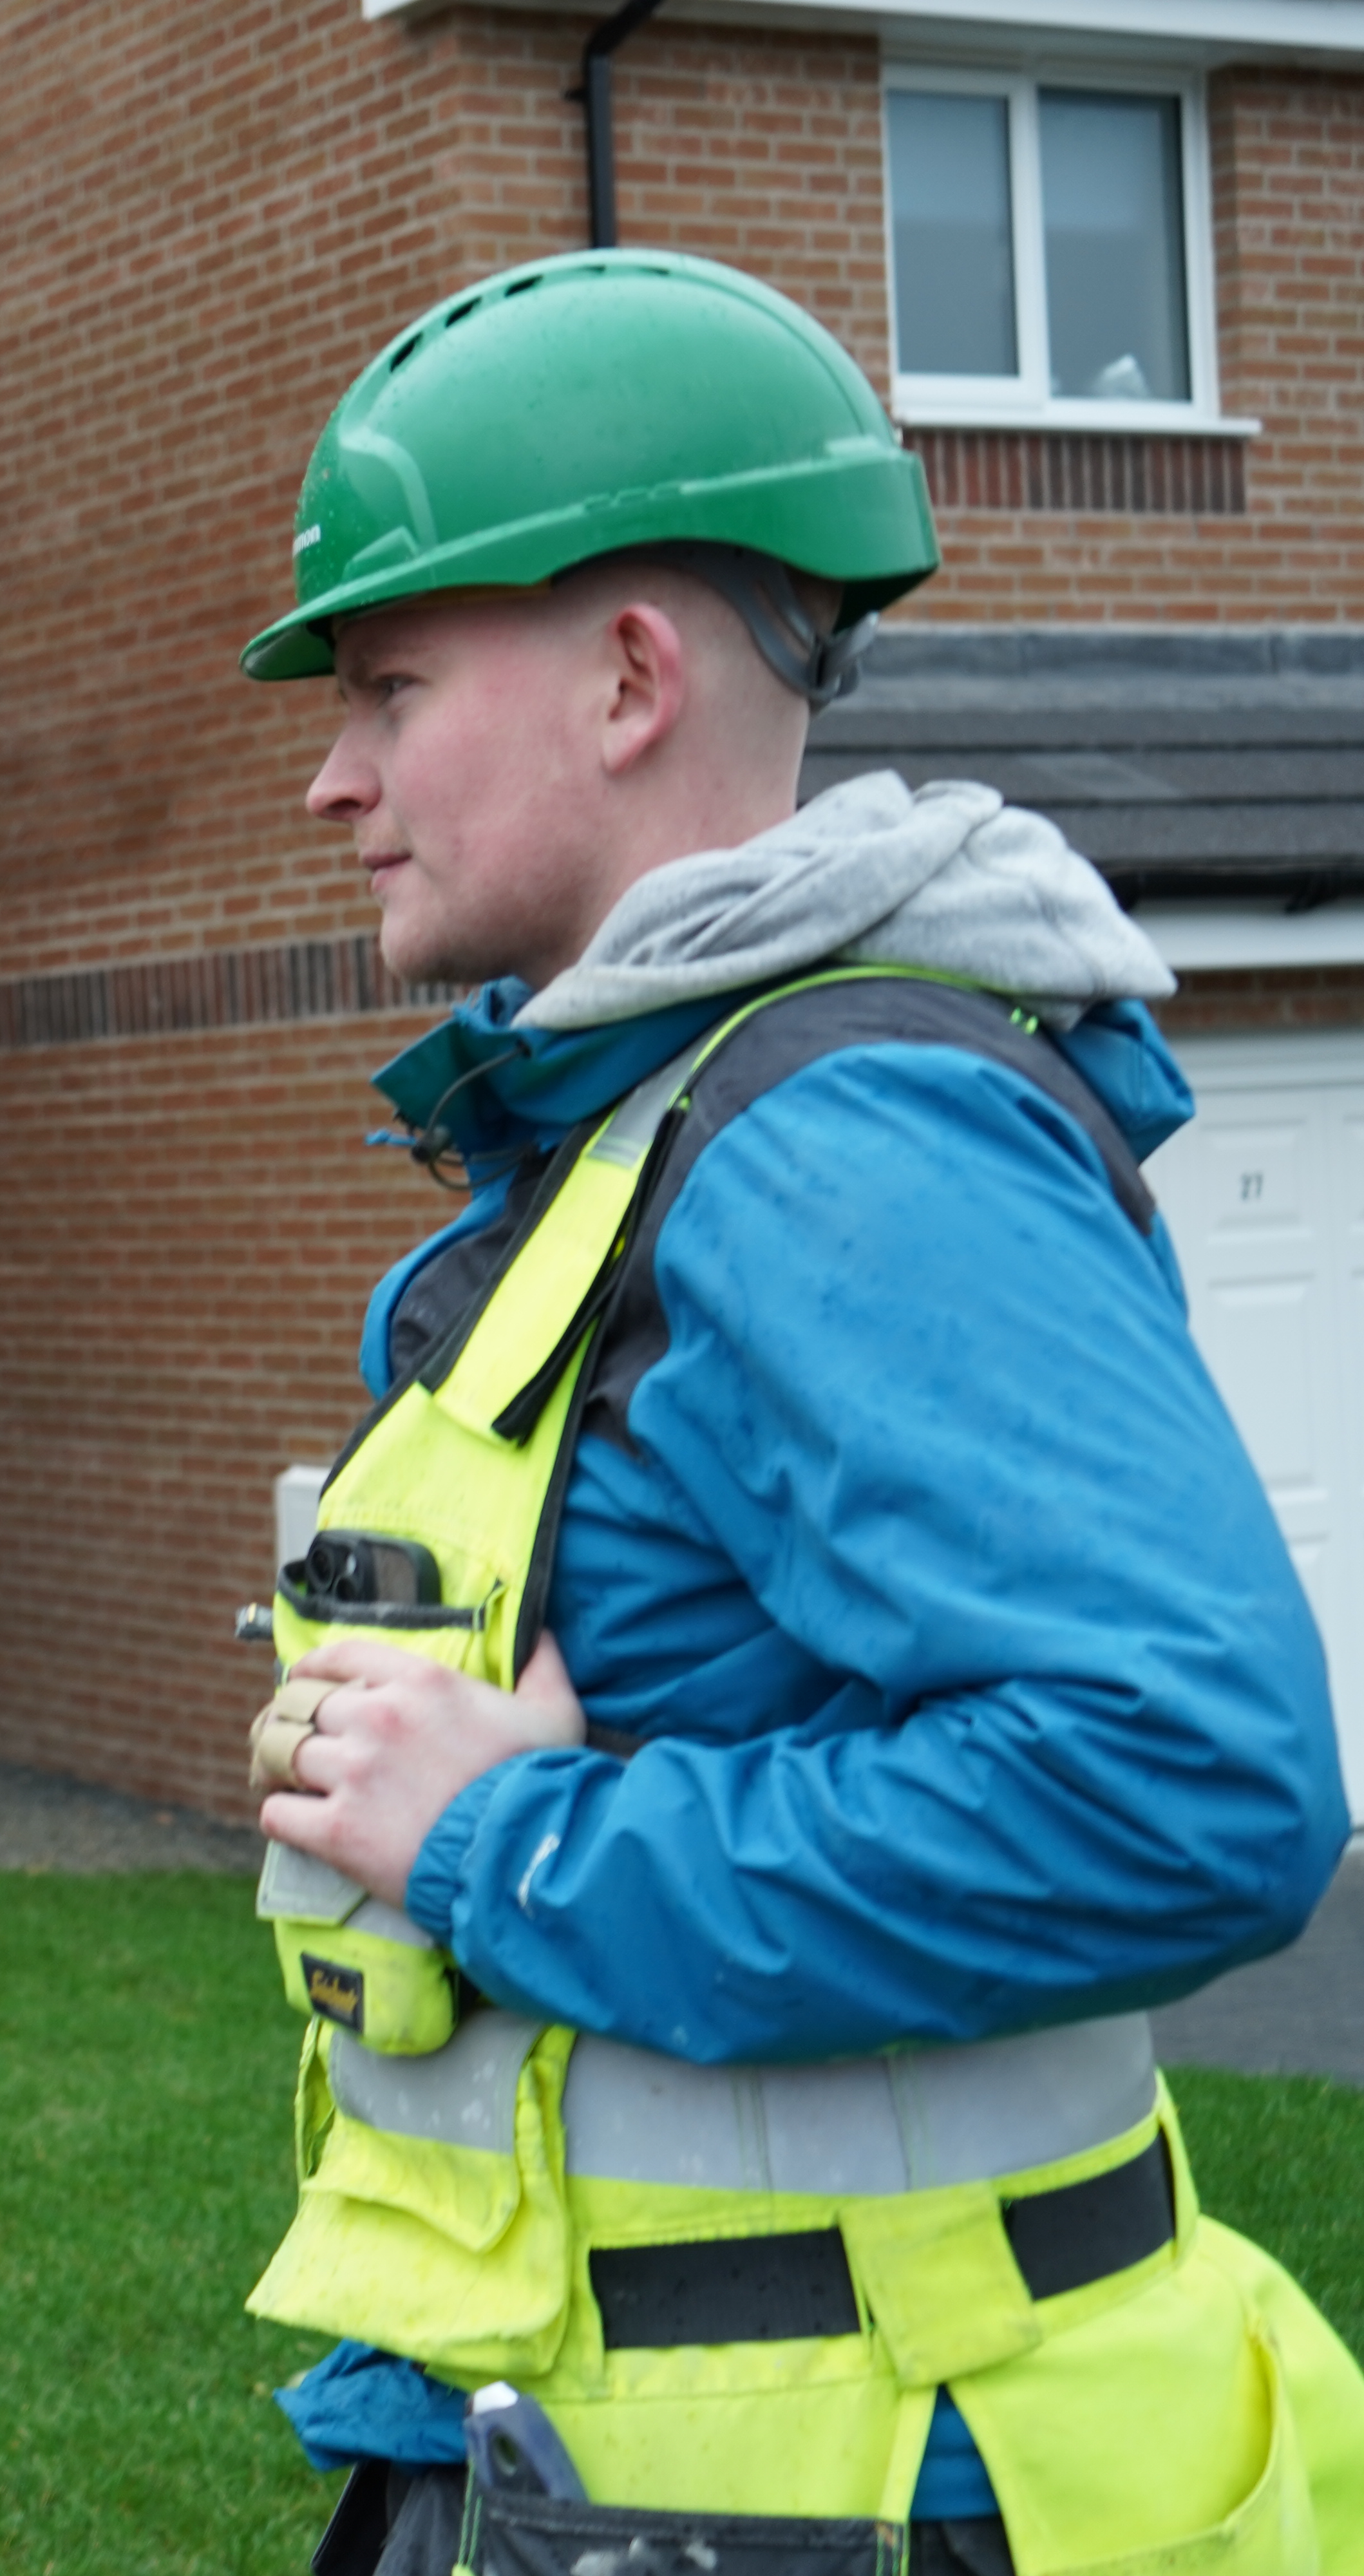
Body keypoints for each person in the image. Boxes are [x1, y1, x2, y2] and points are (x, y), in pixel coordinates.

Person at [233, 247, 1364, 2574]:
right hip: (640, 2452)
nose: (334, 775)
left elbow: (1195, 1783)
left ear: (632, 675)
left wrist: (504, 1853)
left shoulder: (839, 1144)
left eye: (390, 688)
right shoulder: (647, 1124)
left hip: (843, 2481)